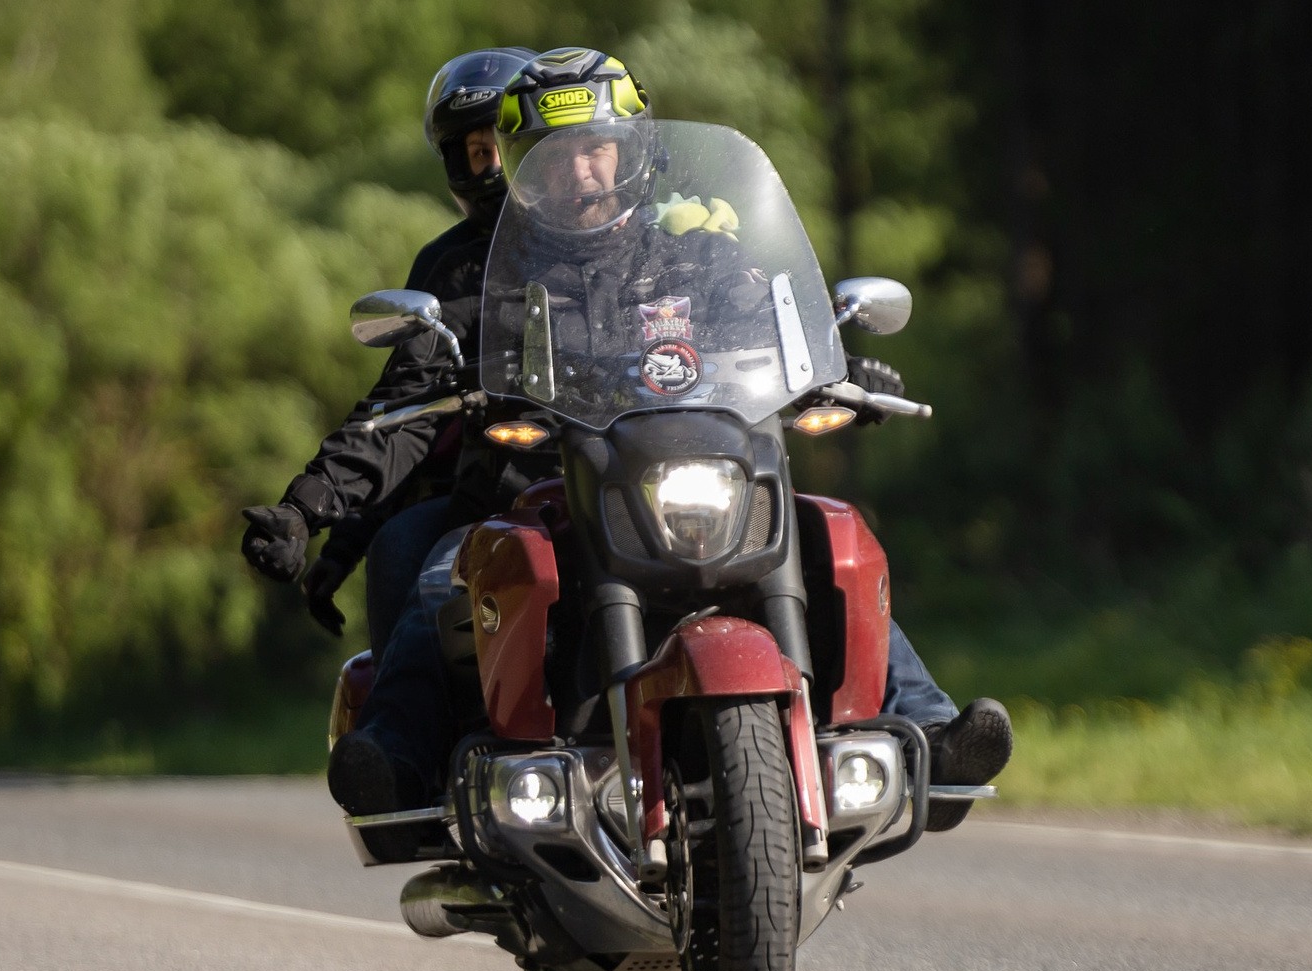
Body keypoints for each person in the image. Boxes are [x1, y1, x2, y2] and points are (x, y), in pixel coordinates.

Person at [298, 46, 1010, 823]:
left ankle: (933, 732)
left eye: (598, 148)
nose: (581, 171)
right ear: (525, 166)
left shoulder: (692, 253)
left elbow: (766, 321)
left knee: (821, 537)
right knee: (442, 577)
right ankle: (397, 760)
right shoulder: (491, 273)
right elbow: (423, 382)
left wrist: (841, 364)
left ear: (636, 152)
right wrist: (412, 427)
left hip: (674, 479)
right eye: (558, 156)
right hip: (543, 492)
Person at [238, 45, 542, 689]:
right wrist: (311, 514)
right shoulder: (453, 270)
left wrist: (722, 259)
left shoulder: (647, 241)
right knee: (417, 566)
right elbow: (405, 414)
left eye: (506, 147)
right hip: (505, 496)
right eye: (478, 153)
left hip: (638, 483)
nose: (495, 169)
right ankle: (402, 757)